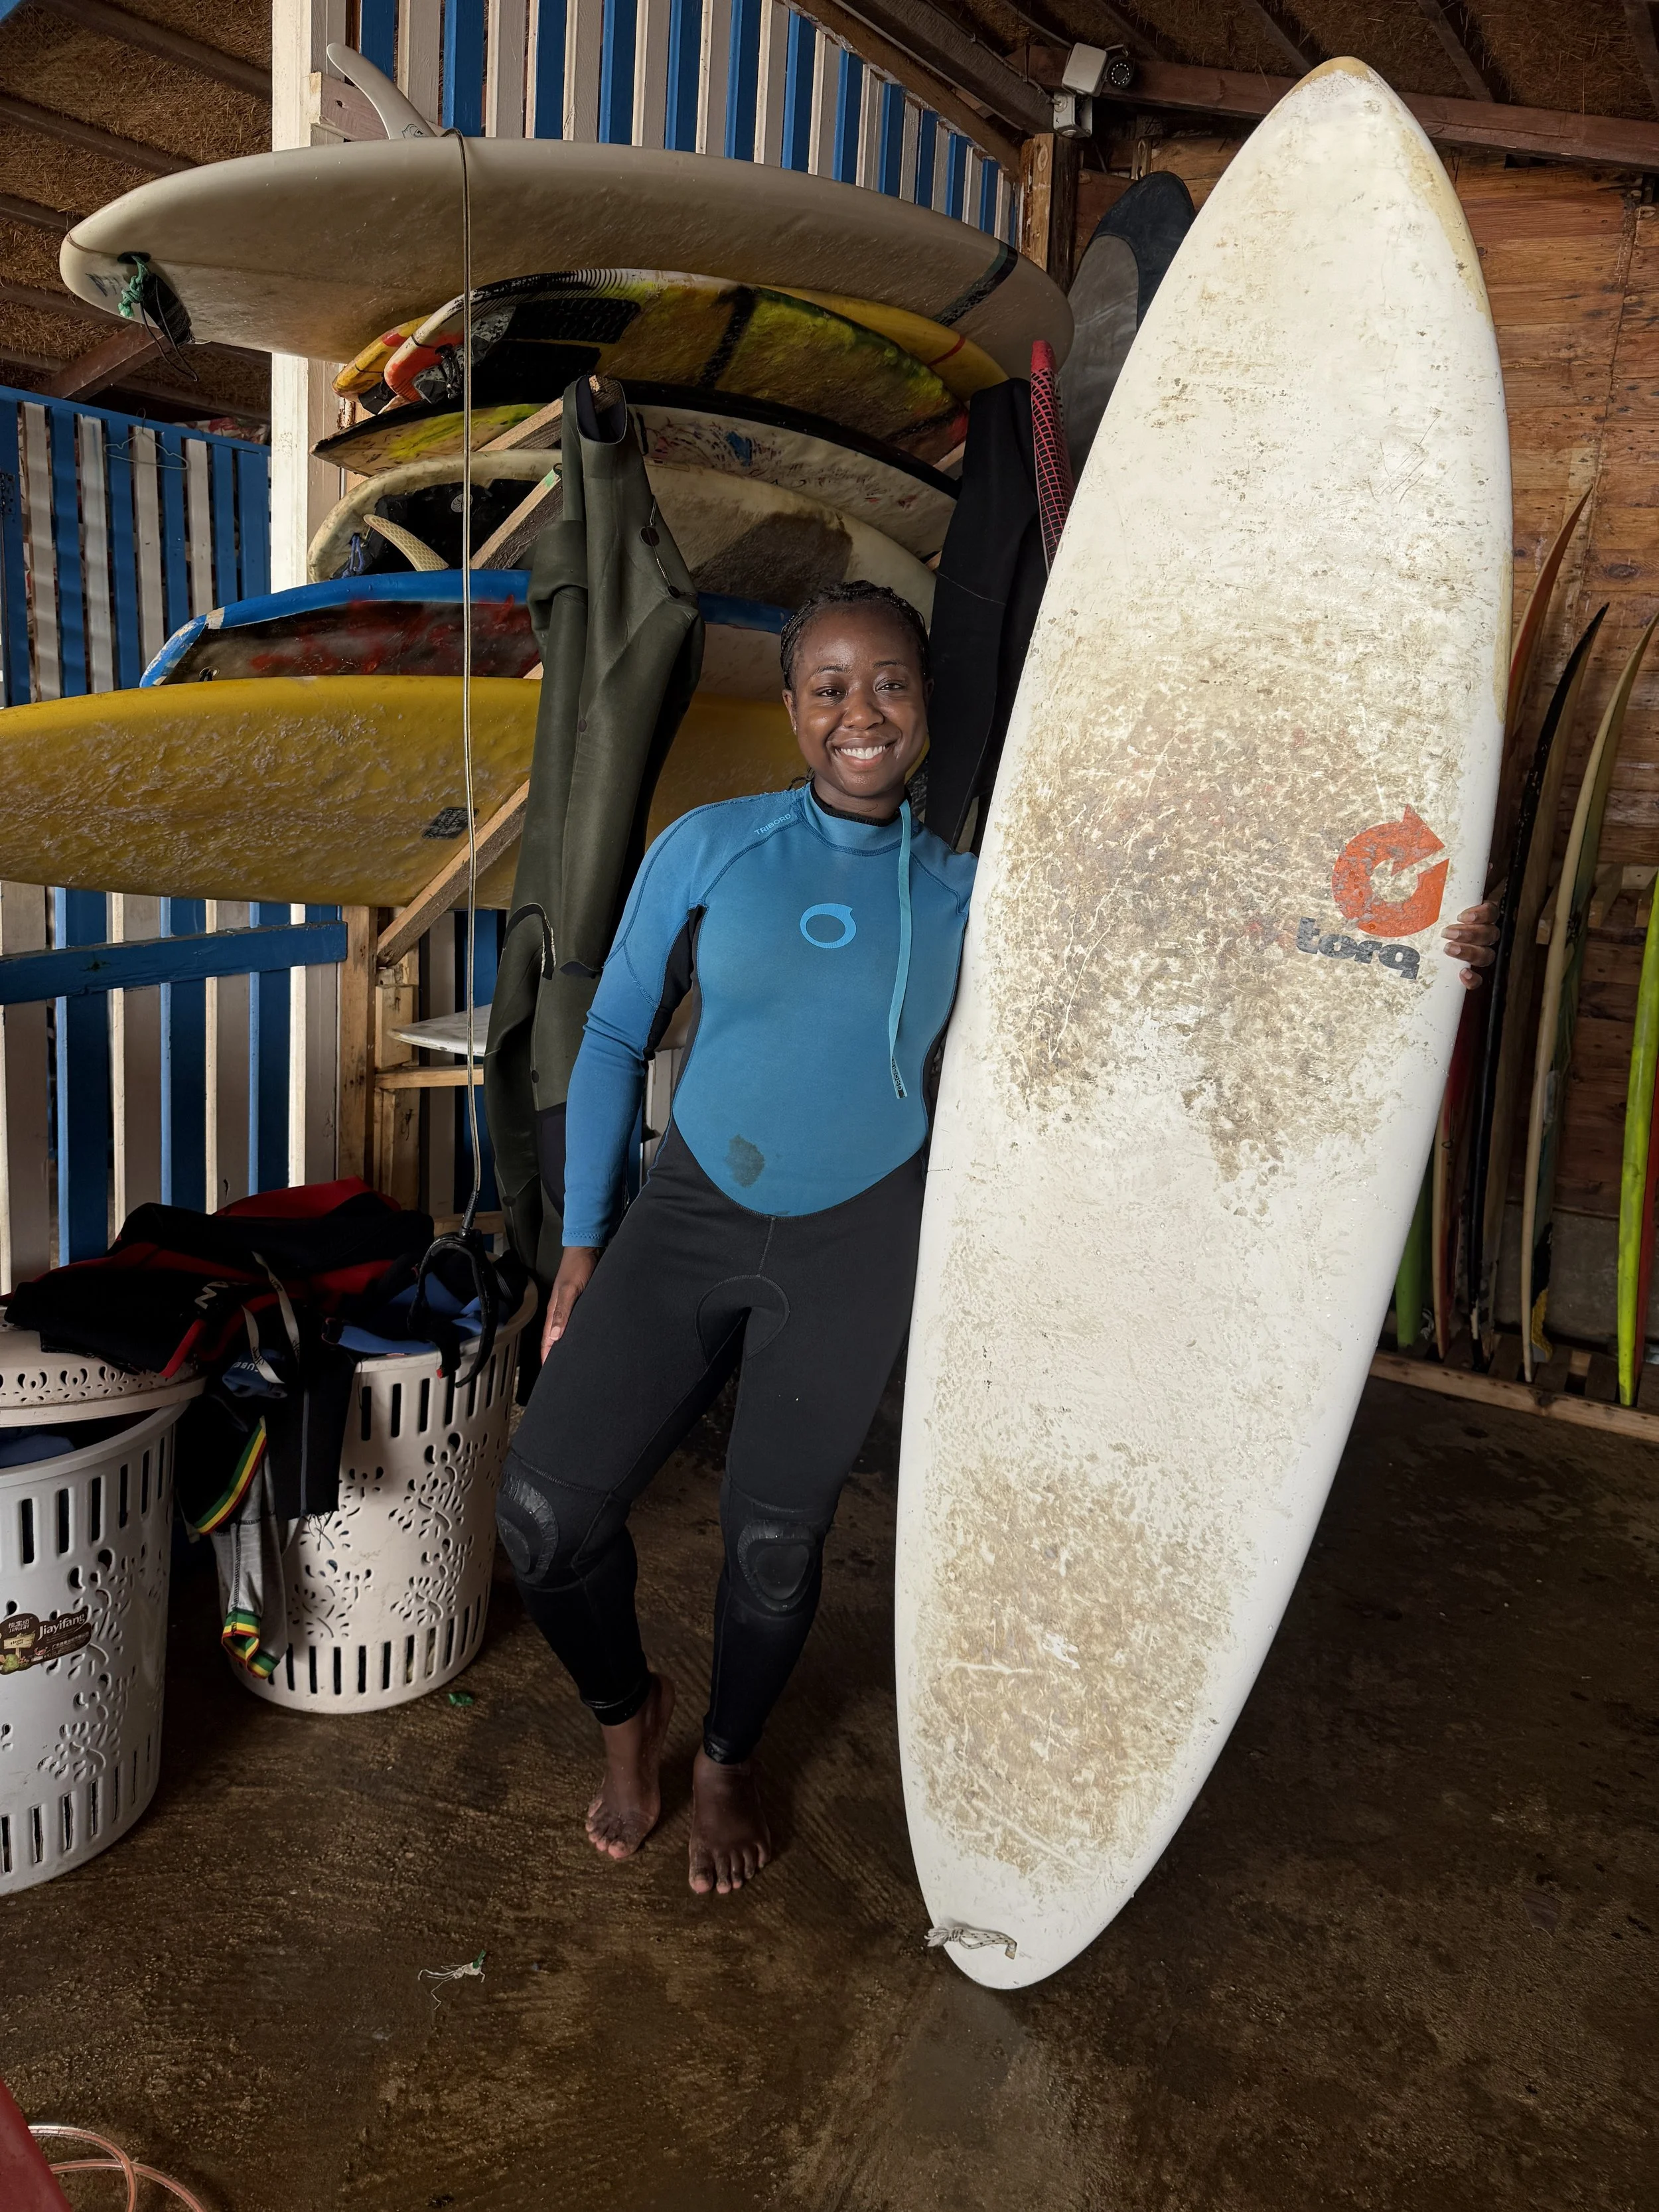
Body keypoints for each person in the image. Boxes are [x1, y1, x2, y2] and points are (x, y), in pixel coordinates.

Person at [496, 577, 1500, 1897]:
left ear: (925, 703)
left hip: (854, 1241)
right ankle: (631, 1720)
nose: (861, 713)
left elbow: (1200, 936)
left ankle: (730, 1757)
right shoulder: (713, 846)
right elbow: (615, 1032)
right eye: (830, 688)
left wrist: (1411, 934)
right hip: (687, 1216)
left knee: (774, 1551)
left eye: (889, 683)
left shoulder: (977, 892)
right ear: (793, 710)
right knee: (543, 1515)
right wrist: (582, 1243)